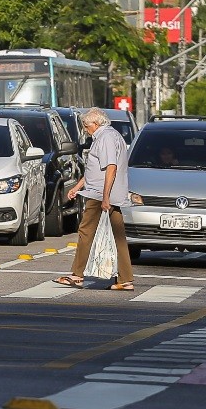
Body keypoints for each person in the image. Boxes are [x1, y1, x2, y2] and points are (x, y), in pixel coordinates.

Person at [56, 108, 134, 291]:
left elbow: (111, 168)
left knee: (85, 231)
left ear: (96, 123)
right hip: (107, 193)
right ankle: (125, 279)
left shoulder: (105, 138)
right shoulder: (111, 135)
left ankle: (77, 275)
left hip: (100, 195)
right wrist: (77, 187)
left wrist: (105, 197)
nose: (85, 129)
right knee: (118, 237)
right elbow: (96, 170)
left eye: (86, 125)